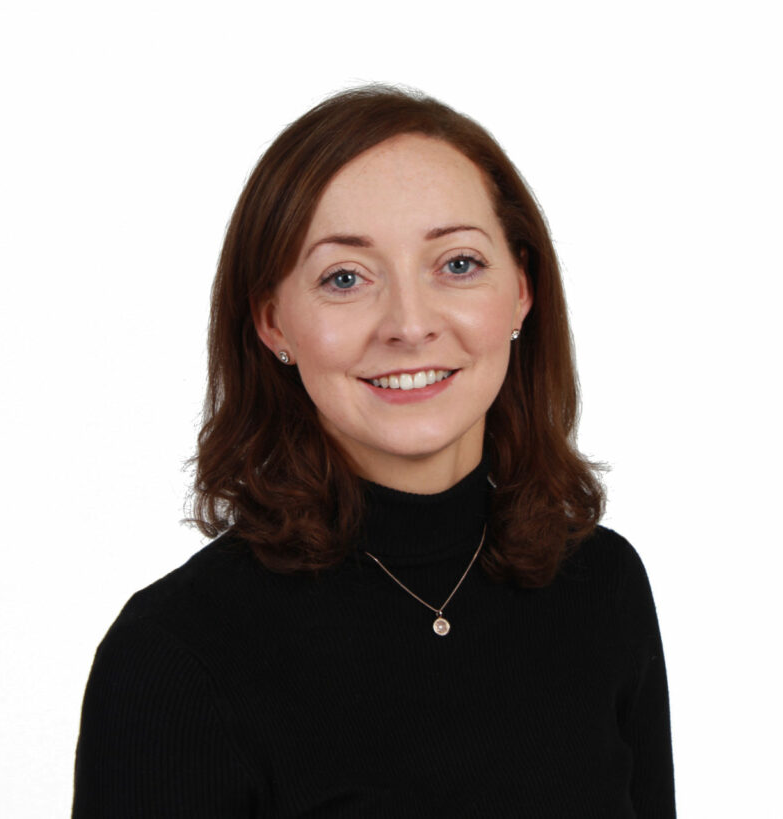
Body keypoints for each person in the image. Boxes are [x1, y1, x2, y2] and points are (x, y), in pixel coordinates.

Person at [73, 85, 675, 817]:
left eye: (457, 264)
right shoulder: (173, 657)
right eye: (345, 278)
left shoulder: (603, 585)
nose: (409, 325)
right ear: (273, 321)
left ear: (522, 290)